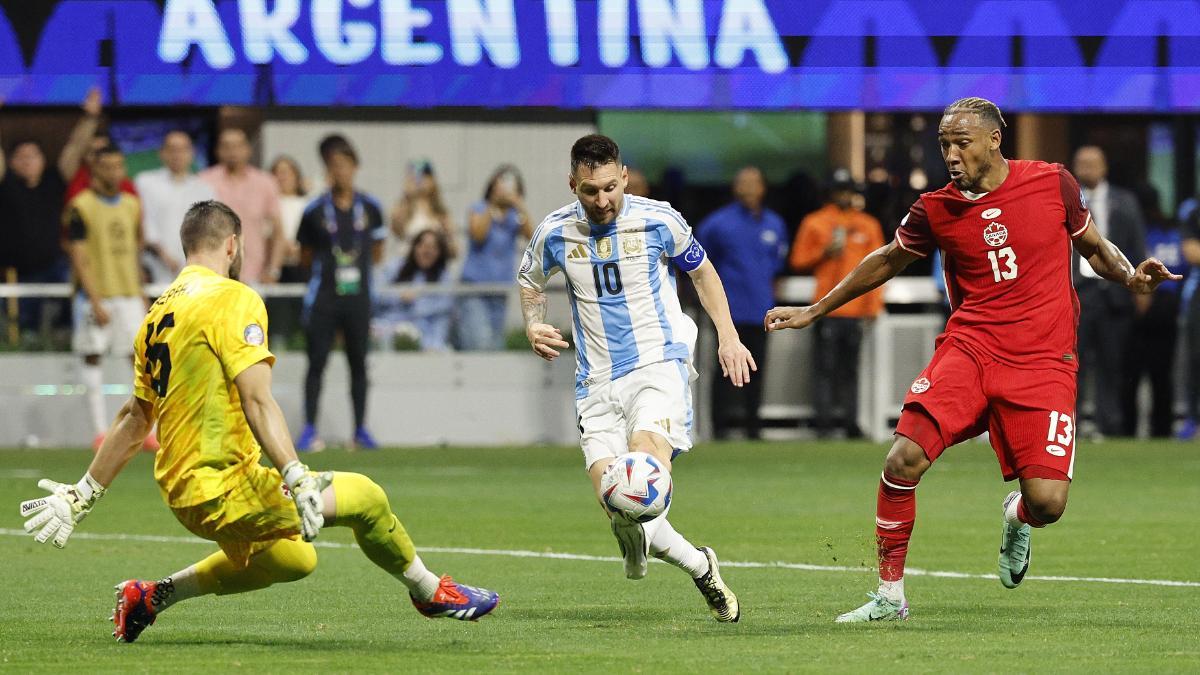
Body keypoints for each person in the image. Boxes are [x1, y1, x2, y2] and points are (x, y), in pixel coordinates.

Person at [765, 98, 1178, 622]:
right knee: (902, 459)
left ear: (994, 140)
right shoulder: (935, 208)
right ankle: (889, 596)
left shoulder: (1052, 183)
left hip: (1044, 362)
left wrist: (1130, 276)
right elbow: (889, 259)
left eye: (962, 143)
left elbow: (1094, 246)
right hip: (971, 351)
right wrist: (817, 309)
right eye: (945, 145)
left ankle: (1017, 516)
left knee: (1048, 503)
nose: (952, 155)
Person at [16, 200, 498, 644]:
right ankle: (431, 592)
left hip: (185, 490)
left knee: (293, 557)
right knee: (367, 497)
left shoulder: (157, 312)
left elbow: (134, 417)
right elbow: (258, 400)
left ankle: (152, 596)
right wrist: (296, 472)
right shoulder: (232, 298)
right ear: (232, 244)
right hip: (221, 486)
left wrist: (82, 493)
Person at [518, 134, 755, 623]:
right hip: (594, 382)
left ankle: (646, 537)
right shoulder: (555, 232)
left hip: (657, 366)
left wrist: (728, 337)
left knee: (641, 475)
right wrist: (533, 323)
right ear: (573, 185)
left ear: (624, 176)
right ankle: (700, 566)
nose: (602, 200)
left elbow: (704, 273)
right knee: (620, 503)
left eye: (610, 187)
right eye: (590, 191)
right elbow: (530, 281)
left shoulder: (658, 219)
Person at [295, 135, 385, 451]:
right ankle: (309, 429)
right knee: (316, 362)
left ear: (355, 168)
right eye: (333, 166)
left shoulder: (371, 208)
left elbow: (377, 251)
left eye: (345, 165)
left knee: (358, 363)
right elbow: (304, 256)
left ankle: (360, 429)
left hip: (358, 298)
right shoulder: (314, 211)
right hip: (324, 298)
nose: (339, 172)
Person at [64, 145, 154, 450]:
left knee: (139, 361)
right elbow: (78, 256)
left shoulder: (131, 204)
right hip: (96, 296)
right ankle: (100, 432)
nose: (115, 172)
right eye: (108, 166)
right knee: (93, 357)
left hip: (129, 294)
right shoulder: (81, 205)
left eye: (119, 166)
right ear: (95, 168)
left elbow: (134, 250)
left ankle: (145, 431)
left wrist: (141, 292)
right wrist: (94, 299)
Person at [788, 168, 886, 438]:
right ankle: (823, 423)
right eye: (839, 190)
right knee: (825, 368)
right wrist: (824, 252)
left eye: (847, 190)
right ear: (830, 193)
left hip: (855, 311)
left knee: (850, 370)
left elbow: (881, 269)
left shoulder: (868, 225)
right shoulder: (815, 222)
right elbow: (797, 260)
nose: (843, 195)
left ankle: (850, 422)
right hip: (825, 309)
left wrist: (873, 307)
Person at [696, 166, 787, 440]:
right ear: (736, 188)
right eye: (743, 183)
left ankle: (753, 427)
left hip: (762, 309)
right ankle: (719, 428)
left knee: (757, 369)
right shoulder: (717, 224)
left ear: (763, 188)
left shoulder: (774, 223)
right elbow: (698, 265)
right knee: (723, 369)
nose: (749, 188)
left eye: (754, 183)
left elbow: (778, 262)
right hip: (729, 310)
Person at [1072, 145, 1146, 438]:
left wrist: (1141, 289)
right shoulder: (1065, 201)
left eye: (1093, 164)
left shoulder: (1124, 201)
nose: (1087, 169)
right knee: (1072, 366)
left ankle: (1110, 427)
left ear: (1104, 168)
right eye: (1082, 163)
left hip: (1114, 296)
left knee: (1112, 365)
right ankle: (1070, 428)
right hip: (1077, 294)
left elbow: (1136, 244)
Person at [1119, 185, 1183, 438]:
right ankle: (1158, 429)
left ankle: (1133, 429)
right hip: (1160, 308)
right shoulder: (1171, 233)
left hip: (1149, 309)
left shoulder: (1141, 234)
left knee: (1139, 373)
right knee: (1156, 374)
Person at [458, 165, 533, 350]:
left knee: (495, 345)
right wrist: (492, 204)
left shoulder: (515, 215)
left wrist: (519, 204)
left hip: (499, 290)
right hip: (474, 289)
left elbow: (531, 236)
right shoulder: (479, 208)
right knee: (479, 342)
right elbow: (478, 234)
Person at [200, 128, 284, 285]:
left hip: (255, 275)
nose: (233, 151)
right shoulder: (204, 181)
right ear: (218, 151)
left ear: (248, 150)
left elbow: (278, 232)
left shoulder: (265, 182)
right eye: (226, 146)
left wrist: (273, 270)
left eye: (238, 146)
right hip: (213, 276)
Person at [134, 130, 216, 282]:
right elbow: (145, 222)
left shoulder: (204, 188)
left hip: (195, 269)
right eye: (172, 150)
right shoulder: (145, 182)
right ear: (161, 153)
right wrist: (163, 254)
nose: (177, 155)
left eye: (183, 149)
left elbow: (209, 228)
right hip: (154, 265)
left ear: (192, 153)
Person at [375, 229, 454, 351]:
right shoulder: (395, 267)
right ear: (414, 247)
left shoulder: (444, 278)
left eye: (433, 247)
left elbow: (442, 317)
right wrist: (399, 296)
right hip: (390, 330)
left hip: (424, 338)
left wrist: (435, 345)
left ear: (440, 253)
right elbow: (376, 295)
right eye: (422, 245)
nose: (427, 251)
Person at [62, 88, 138, 203]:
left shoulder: (126, 187)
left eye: (103, 152)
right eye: (93, 152)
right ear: (85, 155)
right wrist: (90, 118)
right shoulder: (75, 175)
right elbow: (76, 146)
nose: (98, 158)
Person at [389, 159, 457, 261]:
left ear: (432, 180)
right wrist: (407, 197)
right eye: (415, 177)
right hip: (408, 265)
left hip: (434, 268)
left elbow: (454, 250)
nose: (420, 181)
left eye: (424, 176)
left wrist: (448, 236)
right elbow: (397, 229)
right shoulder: (402, 207)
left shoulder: (441, 212)